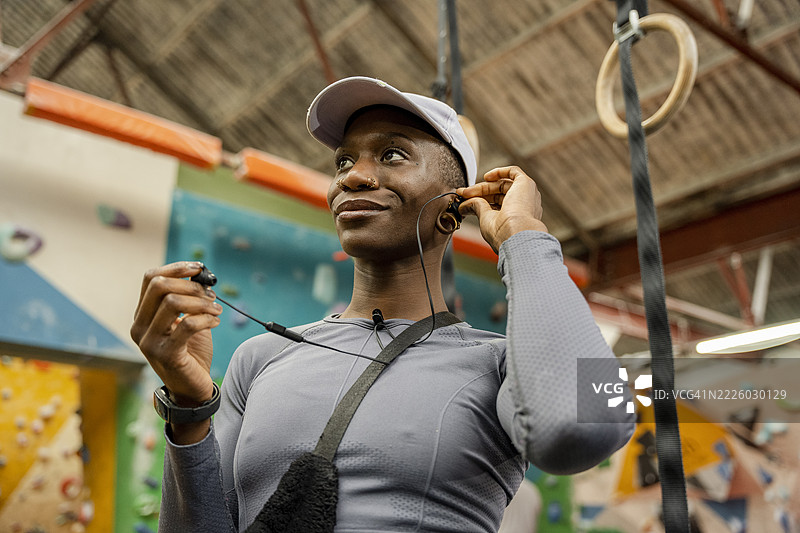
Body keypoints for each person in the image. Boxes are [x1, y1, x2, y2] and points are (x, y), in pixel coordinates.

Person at [130, 76, 635, 532]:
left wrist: (526, 239)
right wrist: (190, 409)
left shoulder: (500, 364)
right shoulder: (258, 360)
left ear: (454, 206)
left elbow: (591, 425)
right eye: (344, 161)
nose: (352, 176)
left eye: (392, 154)